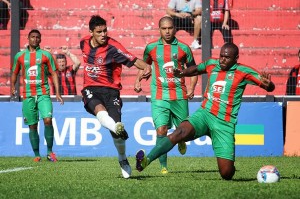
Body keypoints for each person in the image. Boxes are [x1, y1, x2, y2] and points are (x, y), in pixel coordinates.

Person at [135, 42, 275, 180]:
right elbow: (196, 69)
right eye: (221, 56)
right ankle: (146, 161)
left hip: (224, 123)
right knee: (179, 132)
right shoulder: (212, 64)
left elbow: (267, 86)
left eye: (227, 57)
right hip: (204, 114)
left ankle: (229, 160)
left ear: (236, 58)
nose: (222, 59)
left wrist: (269, 86)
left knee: (226, 173)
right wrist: (182, 73)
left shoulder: (244, 72)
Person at [80, 15, 151, 179]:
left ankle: (122, 159)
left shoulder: (113, 47)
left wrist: (147, 67)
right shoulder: (83, 43)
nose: (103, 34)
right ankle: (118, 129)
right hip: (90, 88)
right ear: (91, 32)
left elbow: (132, 60)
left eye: (105, 30)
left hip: (111, 91)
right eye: (99, 32)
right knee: (99, 110)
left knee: (116, 132)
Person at [134, 16, 198, 174]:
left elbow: (194, 69)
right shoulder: (151, 48)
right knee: (161, 130)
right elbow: (144, 66)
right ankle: (163, 167)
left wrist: (191, 87)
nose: (167, 31)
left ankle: (181, 141)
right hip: (159, 95)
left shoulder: (184, 48)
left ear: (174, 29)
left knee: (183, 131)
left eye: (170, 28)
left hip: (179, 95)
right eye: (164, 28)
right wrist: (138, 80)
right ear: (159, 29)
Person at [11, 29, 64, 162]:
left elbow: (53, 73)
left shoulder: (46, 55)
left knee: (47, 120)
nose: (35, 39)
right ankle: (36, 155)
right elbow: (14, 72)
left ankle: (50, 152)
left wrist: (57, 92)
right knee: (32, 125)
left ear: (40, 40)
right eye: (33, 37)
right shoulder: (20, 56)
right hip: (27, 95)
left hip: (43, 93)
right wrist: (12, 86)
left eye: (37, 37)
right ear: (28, 39)